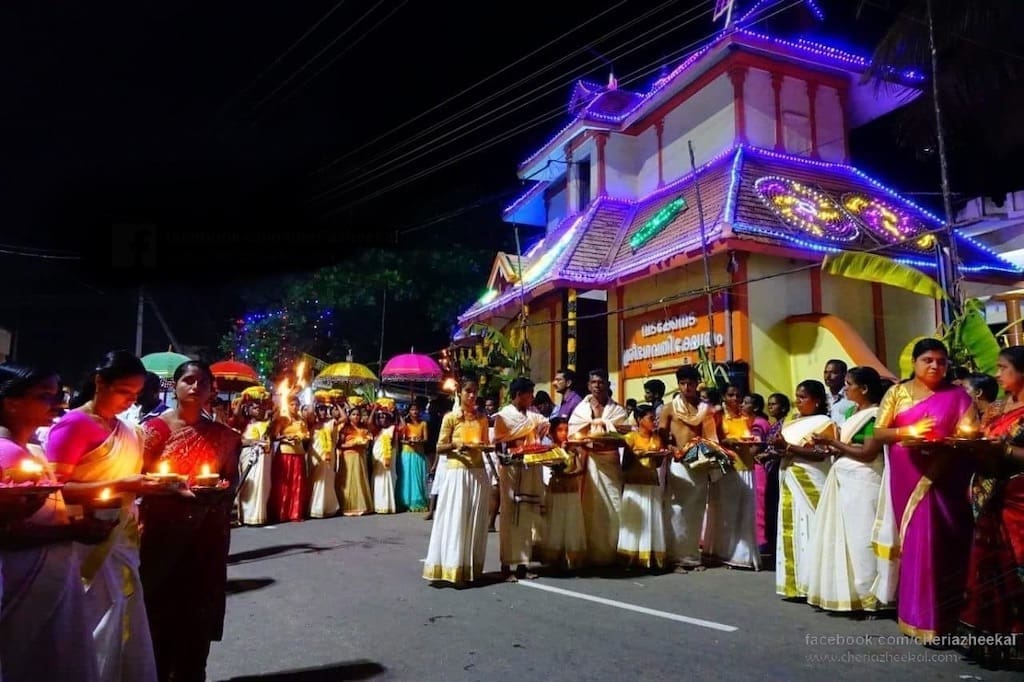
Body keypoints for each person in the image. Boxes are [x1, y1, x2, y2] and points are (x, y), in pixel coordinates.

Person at [46, 350, 164, 682]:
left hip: (121, 534)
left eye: (136, 395)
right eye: (124, 391)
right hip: (85, 540)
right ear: (100, 382)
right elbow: (54, 490)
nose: (130, 401)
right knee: (92, 619)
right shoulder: (74, 424)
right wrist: (120, 483)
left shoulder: (123, 428)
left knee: (124, 612)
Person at [0, 363, 113, 682]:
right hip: (18, 577)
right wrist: (72, 531)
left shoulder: (33, 451)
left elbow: (50, 509)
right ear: (11, 403)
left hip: (56, 573)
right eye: (44, 396)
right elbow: (5, 533)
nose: (58, 404)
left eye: (57, 395)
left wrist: (79, 521)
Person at [140, 360, 241, 682]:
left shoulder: (225, 436)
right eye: (188, 380)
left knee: (199, 611)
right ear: (175, 386)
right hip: (161, 531)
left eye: (202, 382)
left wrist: (218, 493)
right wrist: (170, 487)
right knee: (159, 609)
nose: (195, 387)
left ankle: (193, 672)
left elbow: (230, 482)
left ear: (213, 389)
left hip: (207, 533)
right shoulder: (154, 431)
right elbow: (136, 477)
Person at [870, 338, 974, 642]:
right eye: (928, 360)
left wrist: (950, 442)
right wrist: (908, 432)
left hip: (947, 473)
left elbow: (970, 433)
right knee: (918, 539)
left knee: (944, 543)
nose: (935, 366)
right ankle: (918, 616)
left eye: (941, 361)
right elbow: (879, 432)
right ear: (914, 362)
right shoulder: (897, 393)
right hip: (908, 473)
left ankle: (945, 617)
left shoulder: (957, 396)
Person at [804, 366, 887, 612]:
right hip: (845, 478)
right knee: (844, 537)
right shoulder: (853, 411)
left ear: (864, 389)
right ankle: (848, 590)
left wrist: (833, 442)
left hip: (864, 480)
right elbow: (848, 445)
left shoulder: (876, 416)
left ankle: (870, 595)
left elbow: (868, 452)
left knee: (862, 537)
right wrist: (830, 446)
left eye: (849, 384)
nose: (845, 388)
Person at [960, 346, 1024, 666]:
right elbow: (980, 441)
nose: (998, 374)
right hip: (988, 494)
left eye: (1003, 368)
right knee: (987, 566)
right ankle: (990, 641)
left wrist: (1006, 451)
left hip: (1017, 498)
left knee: (1017, 565)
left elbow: (1010, 452)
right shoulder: (996, 408)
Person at [422, 382, 492, 586]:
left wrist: (484, 447)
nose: (471, 395)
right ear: (460, 393)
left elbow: (486, 443)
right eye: (468, 391)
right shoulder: (451, 418)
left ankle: (470, 568)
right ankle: (452, 567)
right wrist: (455, 444)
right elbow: (439, 447)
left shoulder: (482, 418)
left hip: (477, 471)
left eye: (474, 392)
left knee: (474, 519)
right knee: (456, 518)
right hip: (457, 472)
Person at [772, 379, 837, 599]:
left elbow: (821, 454)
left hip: (811, 479)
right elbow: (787, 450)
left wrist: (788, 447)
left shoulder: (824, 423)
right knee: (792, 529)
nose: (797, 401)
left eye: (803, 397)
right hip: (789, 477)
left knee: (812, 528)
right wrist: (777, 450)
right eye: (797, 397)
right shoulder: (791, 423)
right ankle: (796, 583)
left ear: (817, 401)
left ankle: (816, 583)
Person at [659, 365, 717, 573]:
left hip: (699, 463)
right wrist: (673, 449)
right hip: (678, 464)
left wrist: (709, 455)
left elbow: (711, 438)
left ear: (697, 383)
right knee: (676, 511)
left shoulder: (706, 409)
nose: (687, 387)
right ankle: (674, 558)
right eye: (682, 383)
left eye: (690, 383)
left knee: (696, 511)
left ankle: (692, 556)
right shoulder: (669, 408)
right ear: (678, 384)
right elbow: (661, 436)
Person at [568, 369, 628, 566]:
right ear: (588, 385)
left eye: (601, 382)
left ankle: (611, 551)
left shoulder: (617, 410)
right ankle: (589, 553)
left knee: (614, 505)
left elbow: (626, 436)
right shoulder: (580, 410)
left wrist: (608, 431)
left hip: (609, 461)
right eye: (594, 382)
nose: (597, 386)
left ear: (608, 385)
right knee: (589, 507)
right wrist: (585, 438)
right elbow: (572, 435)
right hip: (588, 462)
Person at [492, 377, 549, 581]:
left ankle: (524, 564)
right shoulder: (504, 417)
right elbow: (498, 444)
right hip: (512, 469)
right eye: (529, 394)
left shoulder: (534, 415)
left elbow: (544, 427)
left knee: (527, 514)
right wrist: (505, 457)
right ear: (518, 395)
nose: (532, 398)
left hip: (531, 467)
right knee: (510, 515)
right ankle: (507, 565)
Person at [706, 385, 762, 571]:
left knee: (745, 511)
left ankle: (742, 555)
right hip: (727, 467)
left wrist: (749, 445)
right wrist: (726, 442)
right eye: (731, 395)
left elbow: (754, 440)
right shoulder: (717, 416)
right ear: (724, 396)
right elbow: (711, 440)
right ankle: (722, 552)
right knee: (725, 512)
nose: (735, 398)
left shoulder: (747, 417)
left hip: (746, 466)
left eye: (739, 395)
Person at [618, 405, 667, 570]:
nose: (654, 421)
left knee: (650, 519)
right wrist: (637, 455)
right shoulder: (630, 438)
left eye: (655, 418)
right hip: (634, 484)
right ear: (639, 420)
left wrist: (660, 456)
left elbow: (658, 463)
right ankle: (629, 557)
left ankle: (649, 557)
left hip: (651, 482)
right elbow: (625, 464)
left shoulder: (657, 438)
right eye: (651, 418)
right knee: (634, 520)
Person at [539, 417, 586, 571]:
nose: (564, 433)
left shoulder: (573, 449)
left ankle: (570, 555)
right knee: (556, 521)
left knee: (571, 521)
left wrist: (571, 473)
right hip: (557, 488)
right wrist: (560, 452)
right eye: (560, 430)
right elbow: (547, 463)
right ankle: (554, 555)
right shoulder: (552, 449)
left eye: (566, 430)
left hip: (571, 488)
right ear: (552, 433)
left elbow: (580, 468)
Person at [754, 393, 790, 558]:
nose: (770, 407)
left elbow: (785, 448)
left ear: (783, 407)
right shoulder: (773, 425)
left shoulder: (786, 425)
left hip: (778, 466)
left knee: (775, 505)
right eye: (769, 404)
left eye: (774, 404)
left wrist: (768, 455)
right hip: (770, 468)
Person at [267, 393, 309, 523]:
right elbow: (274, 436)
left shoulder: (301, 420)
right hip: (285, 452)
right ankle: (282, 512)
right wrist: (285, 438)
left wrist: (302, 437)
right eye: (292, 404)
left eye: (297, 404)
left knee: (297, 483)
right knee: (284, 483)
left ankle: (295, 512)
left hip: (298, 452)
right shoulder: (283, 419)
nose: (295, 407)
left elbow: (306, 434)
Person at [237, 396, 272, 526]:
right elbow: (238, 440)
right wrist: (253, 442)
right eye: (255, 407)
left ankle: (258, 515)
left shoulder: (266, 424)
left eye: (260, 407)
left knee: (261, 485)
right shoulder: (243, 423)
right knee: (248, 484)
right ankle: (246, 516)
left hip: (263, 457)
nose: (258, 410)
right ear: (247, 409)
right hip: (248, 455)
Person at [338, 407, 373, 516]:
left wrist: (364, 443)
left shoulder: (364, 429)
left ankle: (361, 505)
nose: (356, 417)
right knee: (348, 480)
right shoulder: (345, 428)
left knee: (360, 479)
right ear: (349, 416)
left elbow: (368, 444)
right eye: (353, 414)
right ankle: (348, 505)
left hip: (360, 456)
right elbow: (340, 445)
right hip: (348, 456)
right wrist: (351, 445)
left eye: (358, 414)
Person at [308, 396, 340, 519]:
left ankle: (326, 507)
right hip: (315, 454)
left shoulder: (330, 423)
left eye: (323, 409)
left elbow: (343, 418)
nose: (321, 412)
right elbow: (309, 414)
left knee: (326, 480)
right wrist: (313, 402)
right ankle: (313, 507)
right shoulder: (312, 423)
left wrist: (335, 403)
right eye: (319, 409)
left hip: (328, 454)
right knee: (315, 480)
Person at [397, 402, 430, 512]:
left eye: (416, 410)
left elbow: (426, 439)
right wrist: (408, 441)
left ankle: (417, 500)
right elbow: (401, 439)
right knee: (405, 478)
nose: (414, 412)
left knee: (418, 478)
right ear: (409, 411)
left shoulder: (423, 423)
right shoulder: (405, 424)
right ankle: (405, 501)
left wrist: (418, 441)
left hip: (419, 453)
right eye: (412, 410)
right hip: (407, 452)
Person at [369, 400, 398, 514]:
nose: (383, 419)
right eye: (380, 417)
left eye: (385, 416)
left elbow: (395, 445)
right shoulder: (376, 429)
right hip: (377, 456)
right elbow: (369, 422)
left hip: (389, 456)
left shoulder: (393, 428)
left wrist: (392, 458)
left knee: (389, 478)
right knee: (377, 478)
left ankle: (387, 505)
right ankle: (377, 505)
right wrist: (375, 409)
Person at [824, 359, 855, 425]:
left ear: (844, 375)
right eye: (826, 372)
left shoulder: (852, 396)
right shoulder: (823, 399)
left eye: (833, 373)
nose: (828, 376)